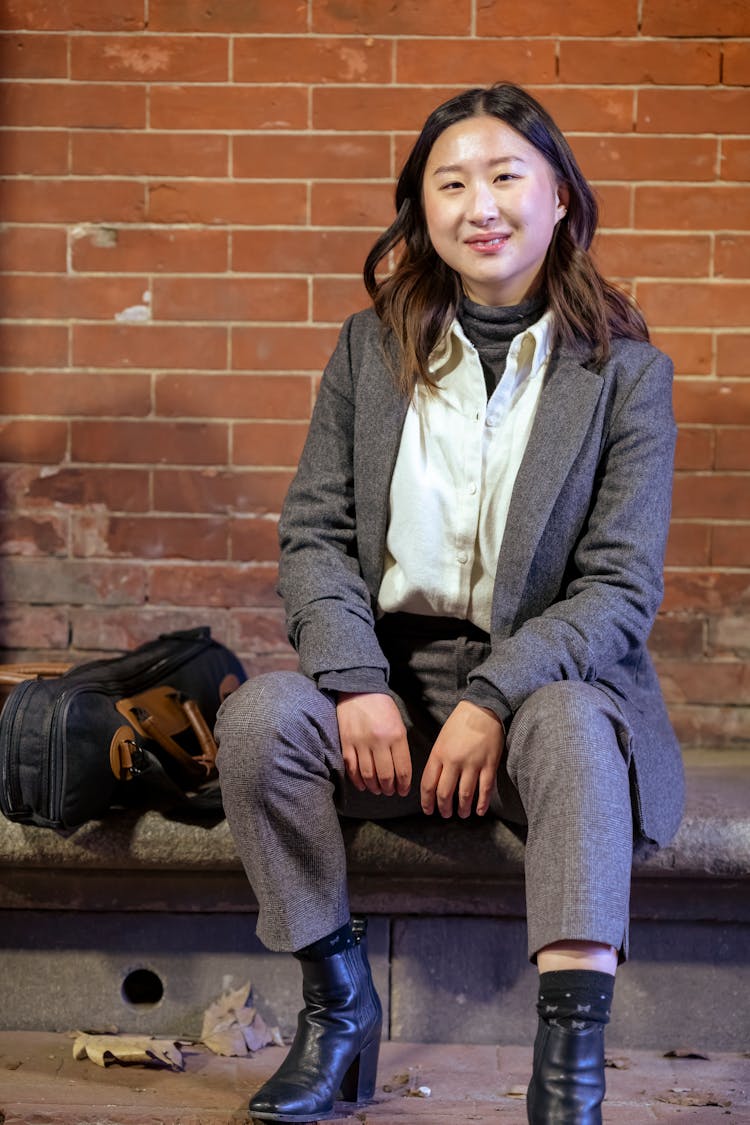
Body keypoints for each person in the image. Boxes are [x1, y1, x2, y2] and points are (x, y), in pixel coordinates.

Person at [215, 82, 685, 1125]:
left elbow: (618, 593)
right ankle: (338, 1012)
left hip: (544, 686)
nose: (482, 203)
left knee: (565, 725)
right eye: (452, 181)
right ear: (420, 211)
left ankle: (569, 1071)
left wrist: (490, 696)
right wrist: (352, 681)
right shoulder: (366, 352)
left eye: (507, 176)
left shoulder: (625, 378)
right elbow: (315, 537)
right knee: (257, 723)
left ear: (561, 197)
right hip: (386, 678)